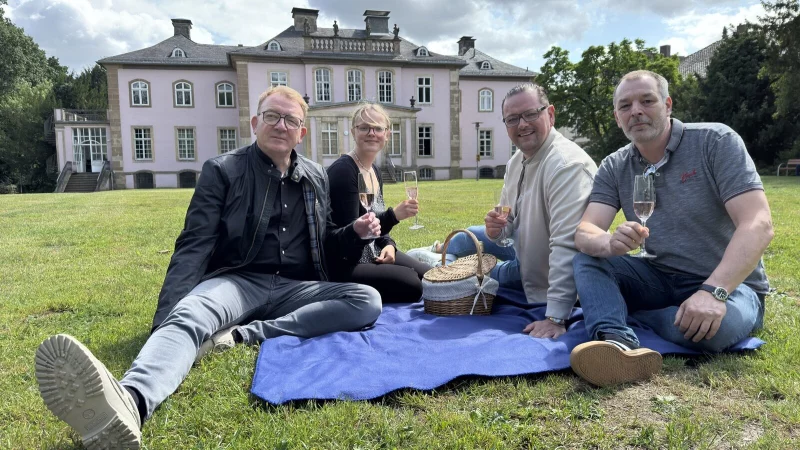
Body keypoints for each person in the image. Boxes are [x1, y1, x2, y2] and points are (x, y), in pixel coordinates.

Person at [33, 86, 383, 449]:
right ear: (255, 122)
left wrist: (354, 233)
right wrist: (166, 318)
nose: (281, 125)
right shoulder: (223, 170)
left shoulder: (315, 175)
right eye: (272, 116)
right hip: (237, 281)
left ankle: (245, 334)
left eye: (291, 120)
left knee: (367, 300)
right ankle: (131, 403)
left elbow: (325, 241)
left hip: (295, 287)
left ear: (301, 132)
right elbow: (193, 246)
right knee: (190, 316)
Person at [570, 70, 773, 387]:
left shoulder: (715, 142)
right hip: (659, 274)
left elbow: (758, 224)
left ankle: (637, 316)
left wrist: (713, 292)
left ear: (667, 104)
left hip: (729, 283)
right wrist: (608, 243)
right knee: (587, 257)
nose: (635, 110)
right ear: (617, 117)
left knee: (715, 329)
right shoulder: (615, 165)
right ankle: (615, 343)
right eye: (625, 106)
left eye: (646, 100)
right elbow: (585, 232)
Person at [413, 83, 597, 338]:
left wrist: (555, 317)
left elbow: (567, 247)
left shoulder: (567, 166)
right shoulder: (517, 161)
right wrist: (496, 229)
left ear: (551, 114)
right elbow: (508, 226)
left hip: (541, 275)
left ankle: (434, 263)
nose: (522, 124)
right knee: (471, 235)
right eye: (512, 119)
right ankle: (434, 253)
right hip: (525, 254)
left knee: (473, 276)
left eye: (531, 114)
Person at [327, 102, 431, 303]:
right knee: (413, 284)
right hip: (346, 265)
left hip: (373, 251)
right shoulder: (344, 171)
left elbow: (378, 227)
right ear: (353, 132)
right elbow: (347, 244)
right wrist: (394, 216)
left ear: (387, 134)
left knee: (429, 274)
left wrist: (389, 245)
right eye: (364, 127)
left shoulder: (374, 170)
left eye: (377, 128)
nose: (371, 133)